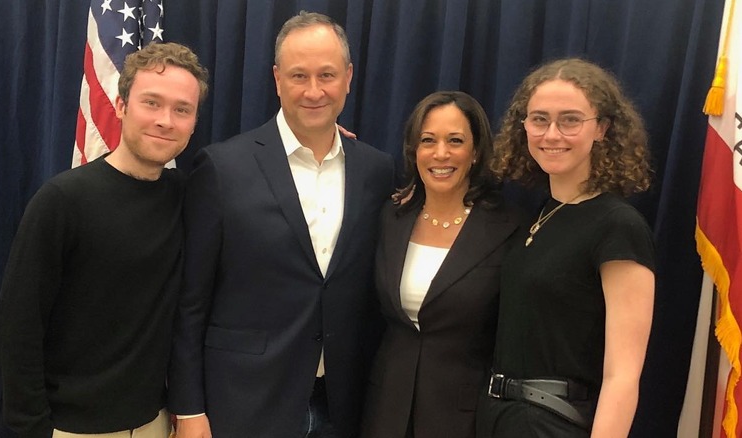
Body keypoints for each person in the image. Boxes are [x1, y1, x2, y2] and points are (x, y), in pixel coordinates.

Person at [168, 11, 394, 438]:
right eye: (298, 76)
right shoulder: (222, 167)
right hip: (244, 401)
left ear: (348, 77)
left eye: (326, 74)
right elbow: (190, 300)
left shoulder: (377, 170)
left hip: (345, 404)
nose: (314, 91)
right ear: (276, 79)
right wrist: (188, 406)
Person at [0, 42, 209, 438]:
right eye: (151, 103)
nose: (165, 120)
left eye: (182, 109)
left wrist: (323, 136)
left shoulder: (190, 196)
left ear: (194, 122)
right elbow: (18, 327)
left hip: (156, 425)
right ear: (122, 106)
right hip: (71, 430)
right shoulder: (62, 200)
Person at [479, 58, 655, 438]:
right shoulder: (541, 214)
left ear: (603, 129)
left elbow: (622, 375)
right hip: (499, 417)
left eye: (570, 120)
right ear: (522, 125)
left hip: (554, 424)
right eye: (539, 119)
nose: (552, 134)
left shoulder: (618, 226)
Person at [359, 91, 521, 437]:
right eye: (428, 141)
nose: (441, 153)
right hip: (385, 410)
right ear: (414, 150)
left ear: (476, 152)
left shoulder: (507, 229)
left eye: (456, 141)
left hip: (464, 418)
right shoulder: (392, 216)